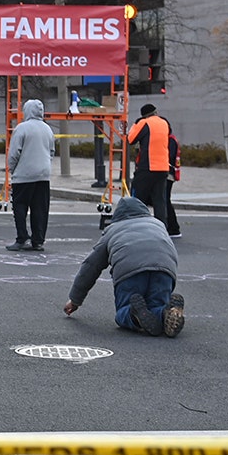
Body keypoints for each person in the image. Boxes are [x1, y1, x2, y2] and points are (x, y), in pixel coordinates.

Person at [64, 197, 185, 337]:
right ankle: (164, 313)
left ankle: (133, 315)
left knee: (122, 311)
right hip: (164, 268)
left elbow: (91, 266)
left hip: (130, 271)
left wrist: (75, 300)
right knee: (157, 304)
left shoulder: (113, 230)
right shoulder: (158, 224)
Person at [6, 99, 55, 251]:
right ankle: (38, 240)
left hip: (24, 174)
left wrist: (12, 169)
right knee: (40, 209)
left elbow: (14, 153)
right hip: (43, 174)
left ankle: (22, 237)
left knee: (20, 206)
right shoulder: (48, 129)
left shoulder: (22, 128)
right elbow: (51, 152)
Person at [127, 104, 172, 224]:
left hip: (147, 166)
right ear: (155, 112)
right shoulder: (164, 123)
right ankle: (162, 227)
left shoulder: (144, 123)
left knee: (138, 198)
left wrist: (135, 125)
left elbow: (131, 139)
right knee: (159, 200)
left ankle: (137, 224)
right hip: (163, 167)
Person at [165, 128, 182, 238]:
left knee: (165, 199)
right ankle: (172, 227)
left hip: (168, 174)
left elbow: (169, 156)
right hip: (168, 173)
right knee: (165, 200)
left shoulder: (170, 140)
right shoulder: (171, 139)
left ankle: (173, 227)